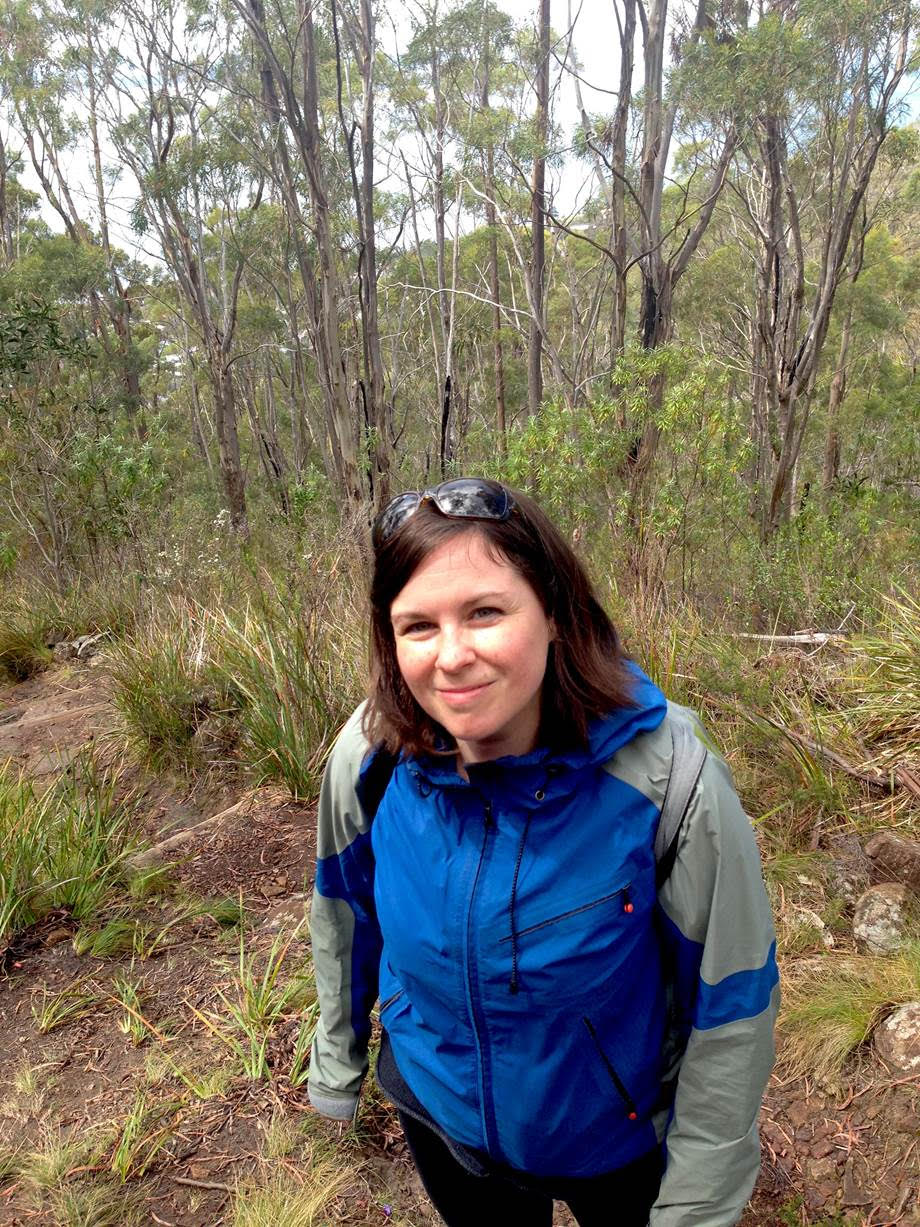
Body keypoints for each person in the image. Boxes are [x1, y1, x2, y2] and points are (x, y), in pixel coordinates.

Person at [308, 478, 778, 1226]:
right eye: (418, 625)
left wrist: (696, 1204)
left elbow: (733, 1002)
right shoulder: (369, 759)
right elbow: (343, 916)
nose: (452, 655)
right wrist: (340, 1058)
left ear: (555, 612)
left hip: (616, 1138)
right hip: (442, 1112)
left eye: (485, 612)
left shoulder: (667, 778)